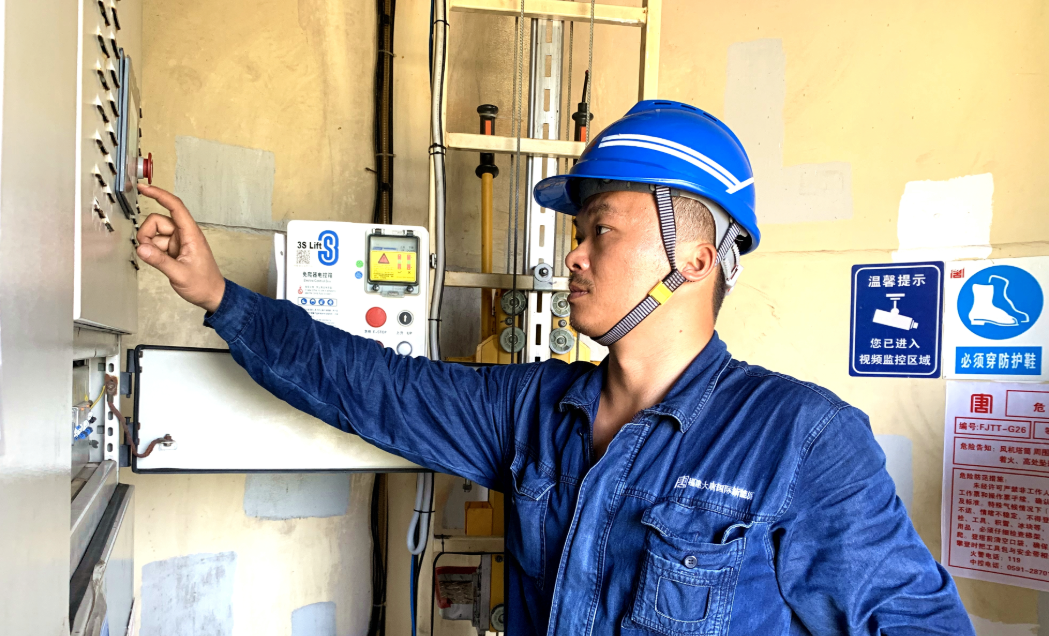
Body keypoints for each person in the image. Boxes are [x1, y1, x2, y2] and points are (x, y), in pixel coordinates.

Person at [135, 100, 973, 635]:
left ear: (693, 258)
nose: (573, 255)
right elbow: (375, 388)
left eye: (599, 230)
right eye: (578, 234)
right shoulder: (538, 408)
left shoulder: (802, 441)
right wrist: (220, 296)